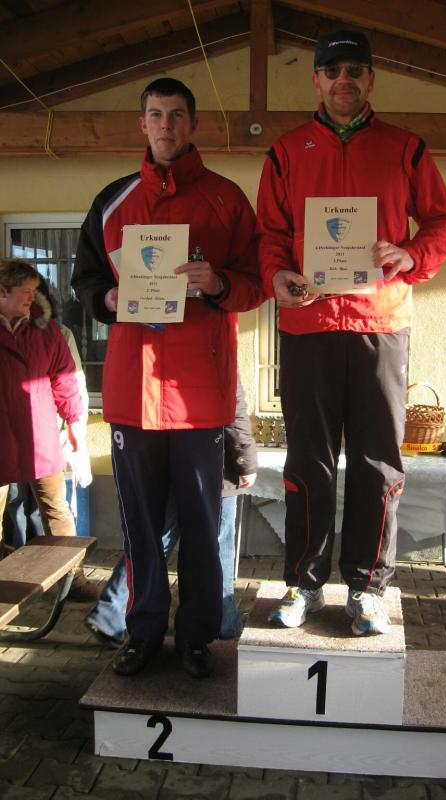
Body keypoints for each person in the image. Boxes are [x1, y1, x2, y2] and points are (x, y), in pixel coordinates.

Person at [257, 31, 446, 635]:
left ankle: (368, 586)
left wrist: (410, 254)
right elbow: (270, 234)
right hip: (309, 324)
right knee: (308, 459)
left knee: (378, 462)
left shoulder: (406, 148)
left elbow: (444, 221)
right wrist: (276, 275)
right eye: (332, 70)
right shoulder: (286, 151)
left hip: (380, 324)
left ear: (370, 79)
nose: (343, 80)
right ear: (316, 80)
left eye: (354, 70)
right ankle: (303, 582)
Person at [72, 77, 263, 678]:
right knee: (141, 527)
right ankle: (144, 632)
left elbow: (258, 282)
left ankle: (197, 637)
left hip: (199, 395)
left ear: (193, 123)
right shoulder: (113, 200)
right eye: (155, 115)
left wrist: (220, 283)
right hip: (132, 394)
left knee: (203, 528)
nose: (165, 126)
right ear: (142, 123)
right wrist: (108, 298)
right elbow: (84, 283)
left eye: (176, 115)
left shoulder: (226, 199)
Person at [85, 376, 257, 647]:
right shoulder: (216, 356)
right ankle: (224, 620)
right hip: (213, 469)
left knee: (157, 539)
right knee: (215, 546)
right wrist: (245, 461)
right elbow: (233, 407)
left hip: (178, 458)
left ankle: (110, 611)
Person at [0, 260, 96, 598]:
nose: (32, 297)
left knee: (57, 511)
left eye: (34, 291)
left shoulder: (47, 331)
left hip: (39, 435)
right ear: (2, 292)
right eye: (25, 291)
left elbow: (65, 380)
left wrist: (74, 423)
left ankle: (73, 581)